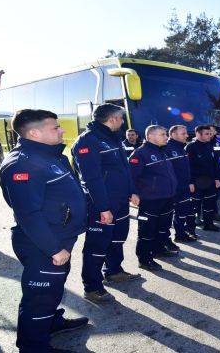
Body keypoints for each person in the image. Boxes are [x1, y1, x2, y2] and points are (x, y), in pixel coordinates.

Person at [0, 109, 89, 352]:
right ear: (35, 132)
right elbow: (28, 215)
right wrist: (53, 248)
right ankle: (33, 346)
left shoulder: (51, 156)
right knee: (39, 297)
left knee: (52, 290)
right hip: (43, 244)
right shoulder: (23, 164)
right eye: (55, 127)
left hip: (59, 238)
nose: (62, 130)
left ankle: (51, 323)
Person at [72, 104, 141, 304]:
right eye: (120, 117)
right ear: (111, 119)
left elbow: (124, 169)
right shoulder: (87, 141)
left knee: (117, 238)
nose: (122, 121)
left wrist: (131, 192)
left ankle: (114, 271)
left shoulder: (114, 138)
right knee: (97, 245)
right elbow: (91, 179)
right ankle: (92, 287)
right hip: (102, 204)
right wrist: (103, 208)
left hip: (120, 200)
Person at [129, 125, 178, 271]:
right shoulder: (140, 153)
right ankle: (144, 259)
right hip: (150, 201)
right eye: (163, 134)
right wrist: (133, 193)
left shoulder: (162, 151)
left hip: (167, 197)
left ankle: (159, 249)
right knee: (147, 231)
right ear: (150, 136)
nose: (166, 137)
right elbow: (131, 177)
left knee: (163, 228)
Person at [164, 125, 198, 243]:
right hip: (175, 188)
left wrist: (190, 182)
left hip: (185, 186)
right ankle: (179, 235)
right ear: (173, 135)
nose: (187, 135)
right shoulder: (167, 149)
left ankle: (183, 233)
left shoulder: (181, 148)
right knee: (179, 213)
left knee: (185, 211)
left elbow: (186, 169)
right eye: (183, 133)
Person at [185, 125, 220, 231]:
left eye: (210, 133)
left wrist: (217, 178)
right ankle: (190, 229)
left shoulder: (212, 145)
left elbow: (216, 163)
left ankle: (209, 224)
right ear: (198, 134)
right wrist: (190, 182)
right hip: (197, 182)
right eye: (207, 134)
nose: (209, 136)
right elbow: (188, 167)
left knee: (209, 204)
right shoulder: (190, 147)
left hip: (210, 181)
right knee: (194, 206)